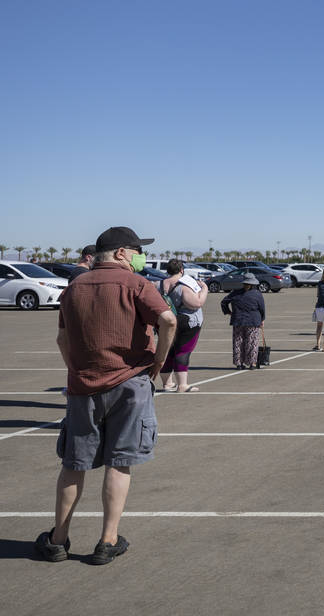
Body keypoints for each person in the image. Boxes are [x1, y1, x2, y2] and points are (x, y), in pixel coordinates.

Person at [35, 226, 176, 566]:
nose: (139, 256)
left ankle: (58, 539)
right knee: (120, 462)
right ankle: (107, 541)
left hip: (83, 388)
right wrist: (159, 360)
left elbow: (62, 339)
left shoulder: (74, 287)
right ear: (120, 253)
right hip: (130, 383)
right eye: (135, 250)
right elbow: (168, 320)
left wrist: (76, 369)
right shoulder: (135, 284)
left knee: (74, 463)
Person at [158, 258, 207, 392]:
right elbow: (197, 303)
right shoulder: (184, 286)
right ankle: (182, 385)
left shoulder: (159, 284)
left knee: (167, 351)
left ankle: (167, 384)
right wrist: (204, 289)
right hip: (187, 322)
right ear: (181, 270)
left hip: (165, 321)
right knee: (183, 351)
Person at [221, 275, 267, 370]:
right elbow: (262, 308)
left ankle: (239, 363)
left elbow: (223, 302)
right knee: (252, 342)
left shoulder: (235, 293)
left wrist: (228, 312)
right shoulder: (257, 294)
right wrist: (262, 319)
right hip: (253, 321)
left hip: (238, 321)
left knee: (238, 342)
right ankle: (252, 364)